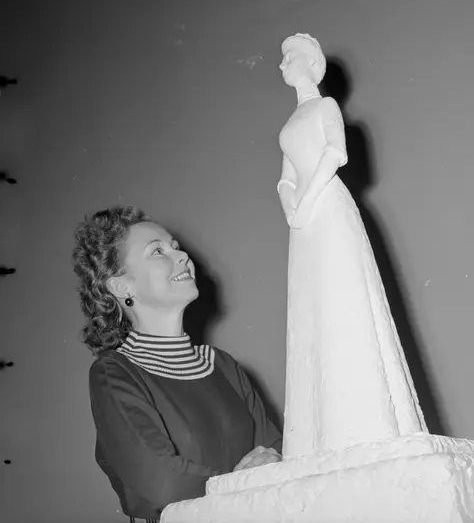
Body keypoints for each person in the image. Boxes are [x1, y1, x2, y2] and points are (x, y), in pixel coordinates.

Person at [72, 207, 282, 522]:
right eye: (157, 251)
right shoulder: (115, 373)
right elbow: (162, 482)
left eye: (175, 247)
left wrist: (267, 467)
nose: (182, 256)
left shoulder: (222, 365)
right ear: (121, 286)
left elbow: (276, 452)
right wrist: (242, 482)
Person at [277, 34, 426, 458]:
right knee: (311, 307)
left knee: (343, 300)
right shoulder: (289, 124)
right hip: (303, 223)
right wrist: (291, 208)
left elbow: (334, 154)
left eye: (290, 57)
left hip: (326, 209)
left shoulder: (325, 107)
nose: (282, 64)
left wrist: (306, 203)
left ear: (311, 64)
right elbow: (285, 177)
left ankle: (365, 422)